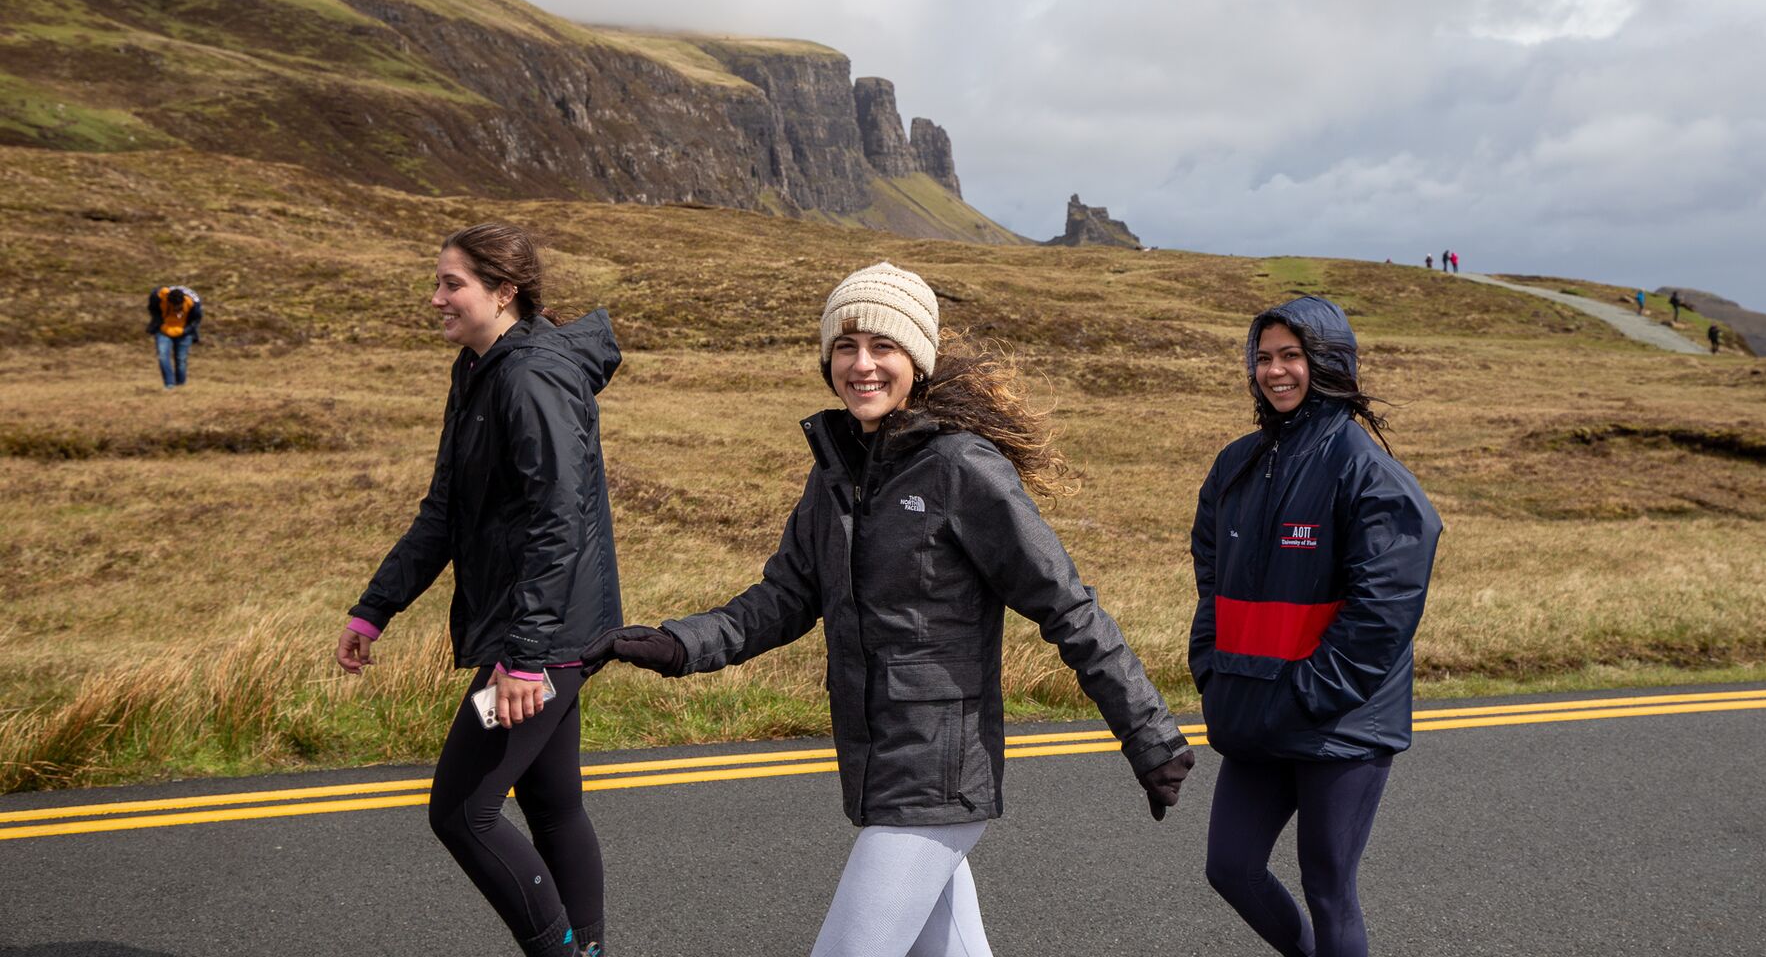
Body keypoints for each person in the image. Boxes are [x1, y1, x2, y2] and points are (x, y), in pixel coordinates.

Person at [588, 262, 1194, 957]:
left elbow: (1066, 606)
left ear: (917, 360)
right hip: (882, 764)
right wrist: (677, 644)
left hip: (938, 774)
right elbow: (783, 598)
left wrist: (1151, 738)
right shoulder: (835, 476)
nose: (862, 364)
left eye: (883, 347)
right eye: (845, 347)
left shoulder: (962, 469)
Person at [334, 223, 623, 957]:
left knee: (463, 812)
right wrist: (375, 609)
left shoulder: (530, 378)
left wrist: (525, 658)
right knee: (553, 805)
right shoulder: (479, 369)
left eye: (451, 284)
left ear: (504, 292)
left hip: (546, 640)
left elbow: (560, 520)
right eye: (437, 282)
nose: (435, 298)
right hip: (549, 632)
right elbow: (445, 512)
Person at [1189, 296, 1442, 957]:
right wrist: (1211, 665)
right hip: (1253, 703)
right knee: (1231, 868)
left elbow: (1382, 611)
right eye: (1264, 357)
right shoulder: (1235, 465)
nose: (1275, 371)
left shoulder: (1366, 470)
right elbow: (1211, 574)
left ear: (1326, 363)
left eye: (1291, 357)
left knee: (1329, 888)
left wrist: (1306, 692)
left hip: (1338, 721)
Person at [145, 284, 202, 388]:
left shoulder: (193, 302)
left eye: (178, 306)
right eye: (173, 305)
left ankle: (180, 385)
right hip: (163, 330)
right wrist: (158, 323)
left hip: (184, 332)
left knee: (181, 359)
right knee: (163, 356)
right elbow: (152, 308)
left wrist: (185, 331)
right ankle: (169, 384)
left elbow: (196, 320)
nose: (176, 308)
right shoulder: (158, 296)